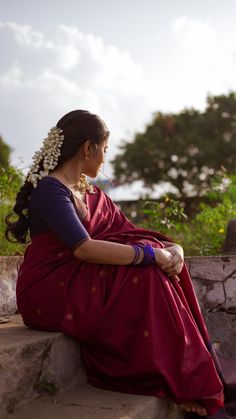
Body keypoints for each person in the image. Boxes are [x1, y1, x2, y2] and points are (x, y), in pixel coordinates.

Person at [6, 110, 224, 417]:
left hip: (81, 274)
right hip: (51, 287)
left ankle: (181, 373)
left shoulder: (92, 193)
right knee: (148, 270)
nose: (105, 159)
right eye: (104, 150)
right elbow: (84, 248)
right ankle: (173, 376)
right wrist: (151, 255)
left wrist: (173, 249)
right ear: (88, 148)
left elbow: (131, 234)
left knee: (154, 261)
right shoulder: (52, 189)